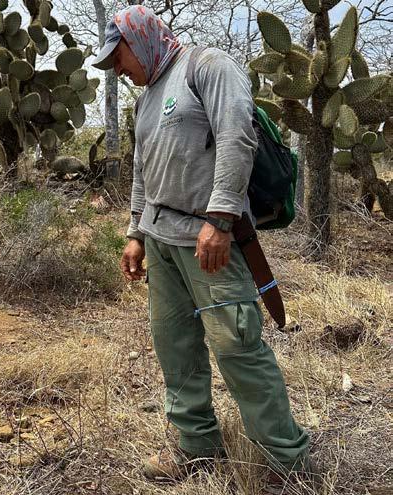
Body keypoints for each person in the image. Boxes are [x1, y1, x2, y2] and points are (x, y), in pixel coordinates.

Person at [91, 4, 313, 490]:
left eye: (118, 56)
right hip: (162, 242)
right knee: (175, 347)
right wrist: (135, 232)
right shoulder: (146, 99)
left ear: (141, 39)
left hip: (210, 241)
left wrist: (220, 218)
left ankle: (286, 459)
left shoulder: (208, 65)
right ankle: (196, 446)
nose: (117, 69)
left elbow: (237, 138)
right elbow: (142, 171)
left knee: (236, 346)